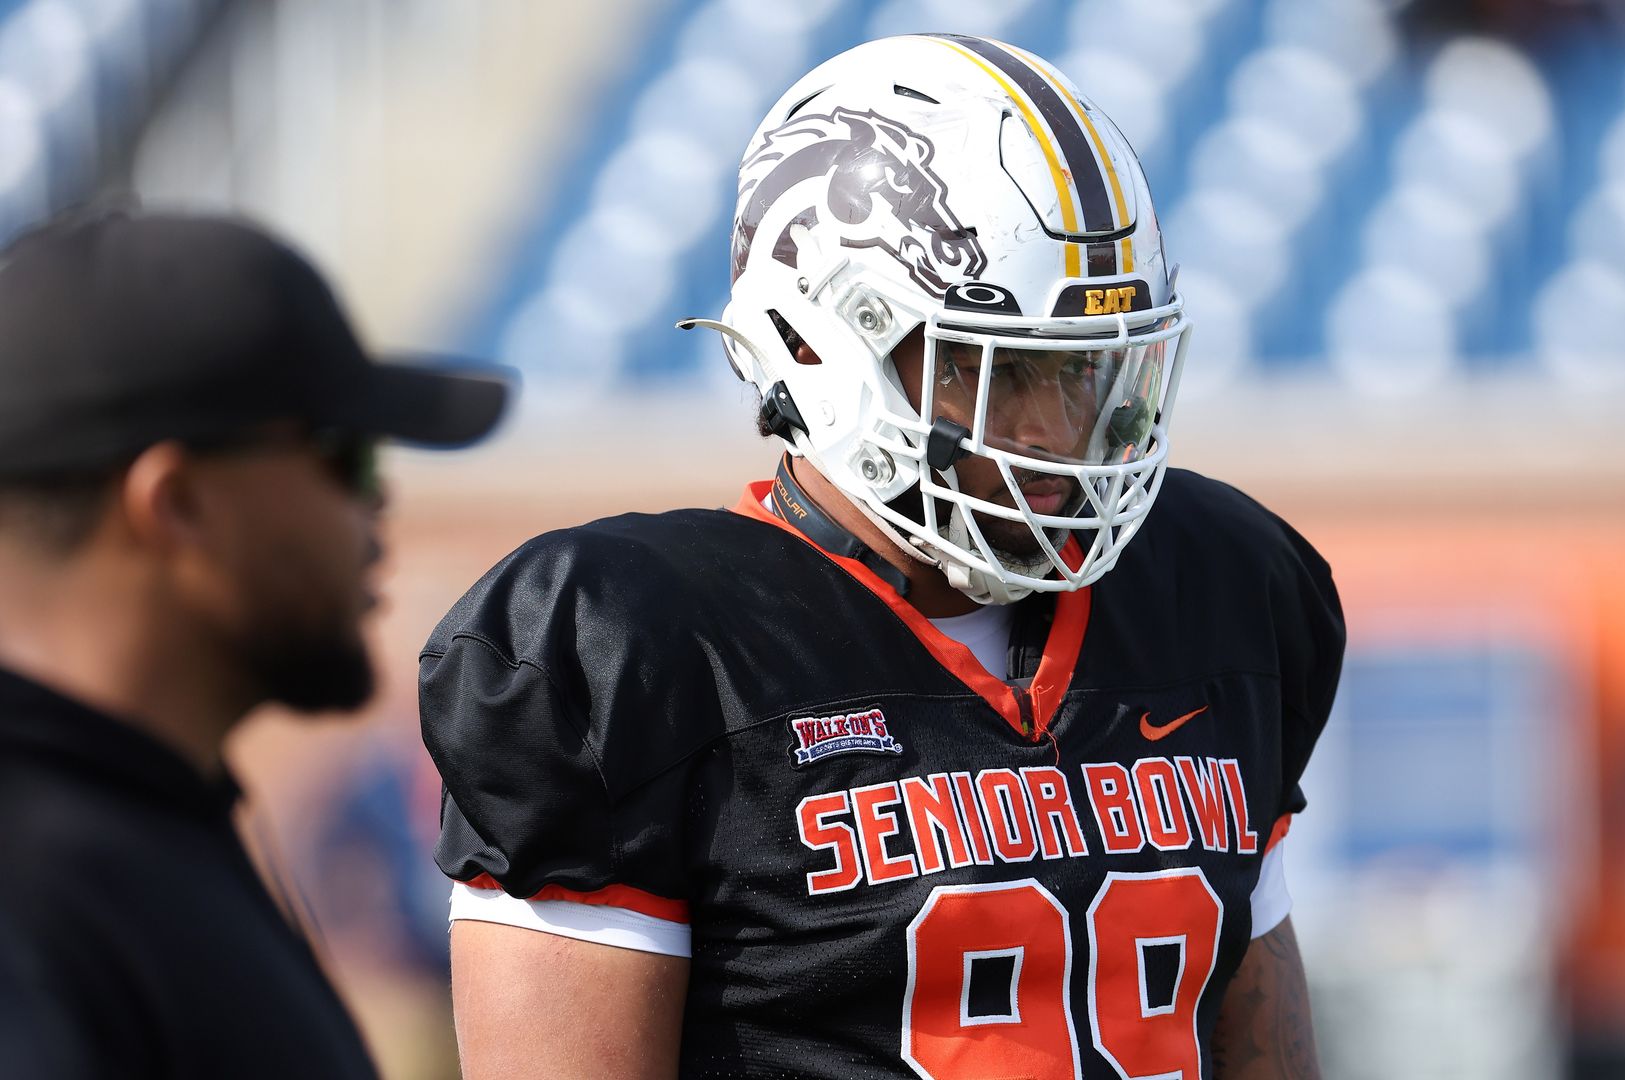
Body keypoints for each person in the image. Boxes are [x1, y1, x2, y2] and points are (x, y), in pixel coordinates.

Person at [423, 35, 1344, 1079]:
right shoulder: (637, 649)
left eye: (1083, 374)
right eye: (988, 374)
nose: (1054, 434)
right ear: (818, 345)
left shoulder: (1220, 589)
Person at [0, 209, 510, 1077]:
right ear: (177, 503)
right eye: (345, 456)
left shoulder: (141, 813)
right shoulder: (35, 879)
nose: (377, 507)